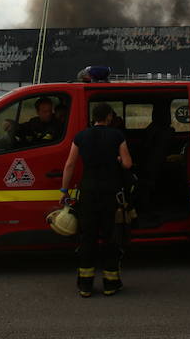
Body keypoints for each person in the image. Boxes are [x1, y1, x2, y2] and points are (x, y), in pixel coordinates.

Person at [60, 102, 133, 297]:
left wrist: (64, 190)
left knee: (87, 238)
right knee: (110, 238)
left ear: (93, 117)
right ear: (109, 117)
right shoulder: (117, 135)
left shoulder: (81, 136)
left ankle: (85, 286)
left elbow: (70, 165)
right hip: (110, 194)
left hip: (88, 193)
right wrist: (117, 159)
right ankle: (111, 284)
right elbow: (127, 163)